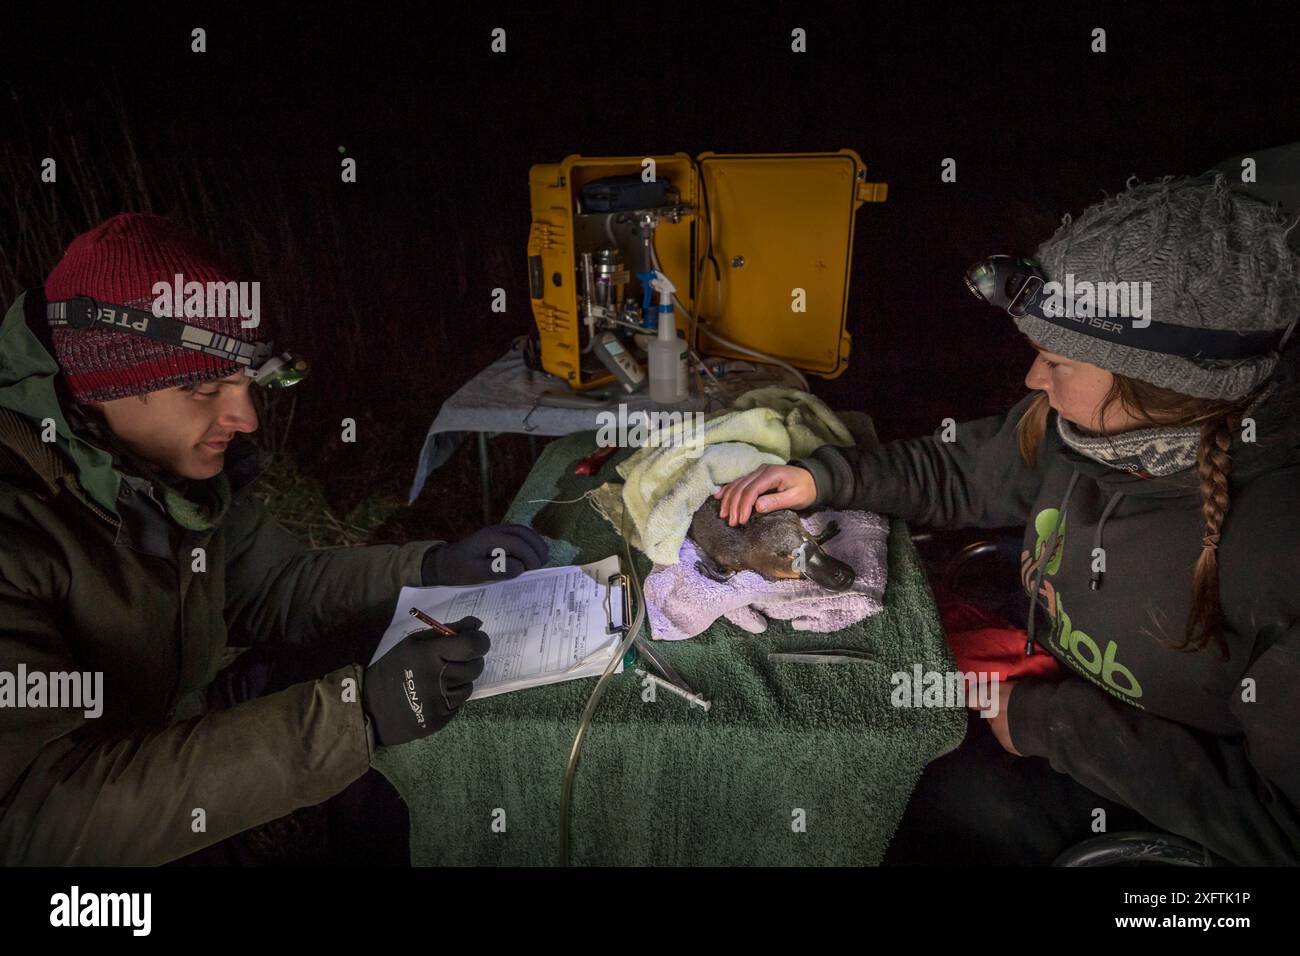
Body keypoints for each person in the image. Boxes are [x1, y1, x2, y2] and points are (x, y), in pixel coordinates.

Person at [714, 173, 1300, 865]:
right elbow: (964, 471)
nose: (1032, 380)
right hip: (1046, 687)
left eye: (1055, 361)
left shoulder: (1276, 553)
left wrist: (1047, 723)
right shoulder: (1083, 424)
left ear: (1163, 384)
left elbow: (1279, 827)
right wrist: (823, 476)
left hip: (1145, 790)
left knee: (901, 797)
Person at [0, 213, 548, 865]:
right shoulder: (19, 521)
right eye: (203, 388)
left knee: (375, 645)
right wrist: (355, 717)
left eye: (247, 382)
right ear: (102, 387)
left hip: (178, 723)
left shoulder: (155, 467)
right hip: (96, 824)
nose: (246, 418)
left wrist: (432, 566)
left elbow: (281, 587)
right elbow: (40, 819)